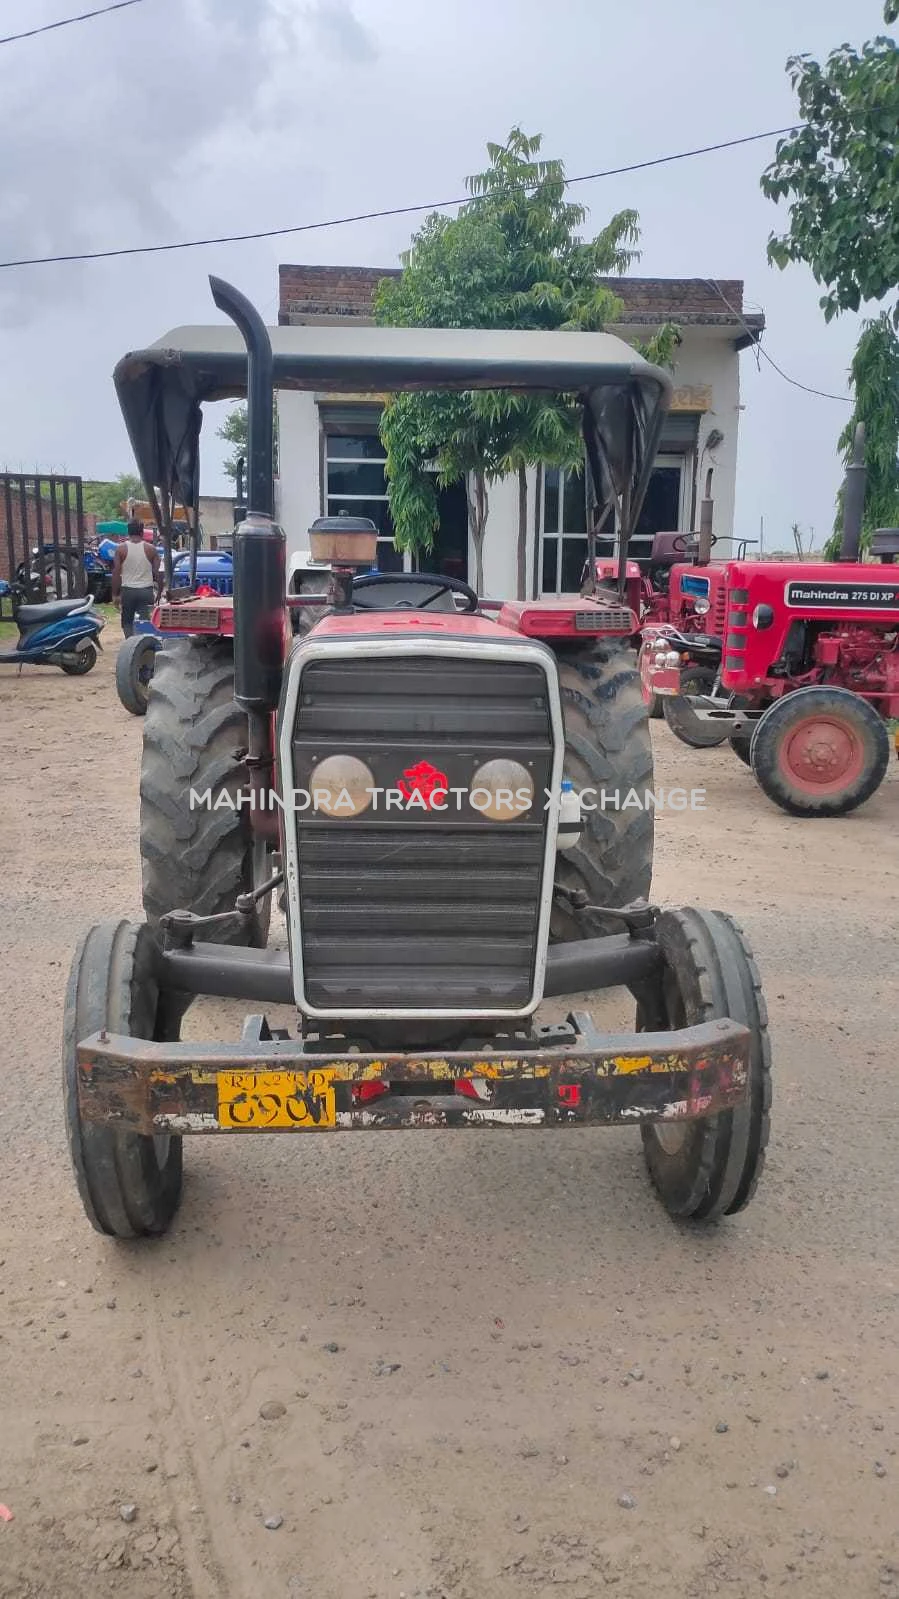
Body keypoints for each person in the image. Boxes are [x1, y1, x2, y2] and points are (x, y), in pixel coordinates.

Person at [111, 518, 162, 637]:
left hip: (128, 591)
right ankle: (144, 646)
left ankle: (130, 643)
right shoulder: (151, 549)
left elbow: (116, 573)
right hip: (146, 591)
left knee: (127, 621)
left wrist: (115, 594)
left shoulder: (121, 549)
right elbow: (158, 572)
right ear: (142, 533)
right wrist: (159, 592)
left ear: (128, 533)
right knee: (146, 622)